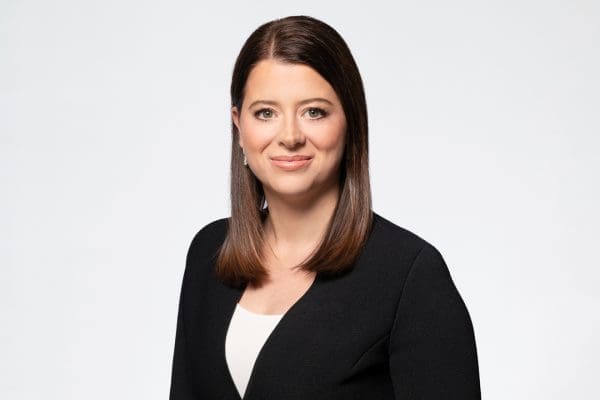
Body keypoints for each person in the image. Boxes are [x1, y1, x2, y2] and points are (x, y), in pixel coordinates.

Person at [169, 15, 481, 400]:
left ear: (350, 122)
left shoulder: (410, 277)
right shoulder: (208, 254)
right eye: (266, 112)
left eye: (314, 111)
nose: (290, 136)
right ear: (238, 126)